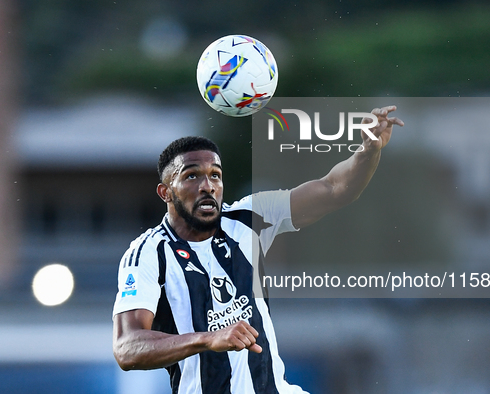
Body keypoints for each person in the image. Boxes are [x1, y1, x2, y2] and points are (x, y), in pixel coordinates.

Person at [112, 106, 404, 393]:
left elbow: (334, 189)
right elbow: (127, 348)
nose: (207, 186)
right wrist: (207, 339)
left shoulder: (248, 219)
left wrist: (368, 151)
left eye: (215, 175)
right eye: (192, 176)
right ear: (166, 192)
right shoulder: (148, 254)